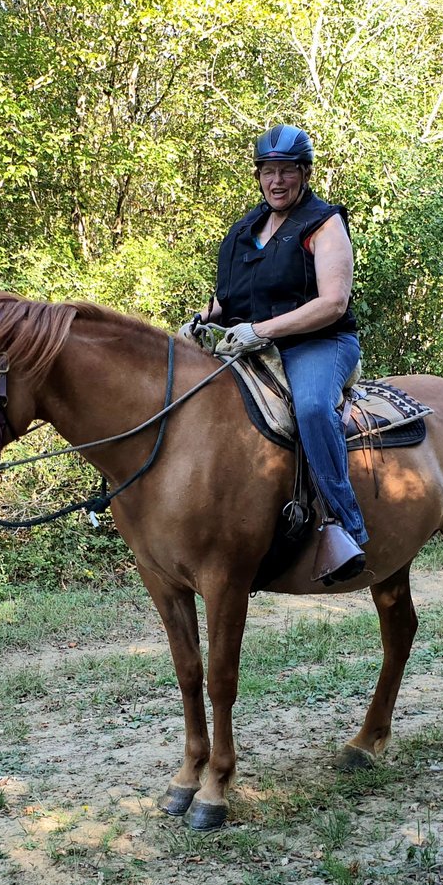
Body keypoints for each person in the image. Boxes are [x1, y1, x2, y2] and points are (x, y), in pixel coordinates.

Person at [180, 124, 367, 582]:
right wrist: (203, 318)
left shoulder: (323, 224)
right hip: (254, 344)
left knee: (310, 406)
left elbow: (333, 303)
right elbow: (234, 296)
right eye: (268, 171)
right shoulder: (248, 228)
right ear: (259, 176)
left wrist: (260, 330)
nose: (276, 181)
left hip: (319, 343)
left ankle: (345, 525)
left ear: (304, 174)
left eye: (286, 171)